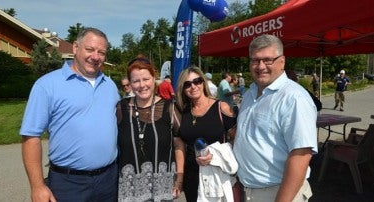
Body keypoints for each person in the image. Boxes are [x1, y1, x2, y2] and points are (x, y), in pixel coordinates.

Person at [20, 27, 120, 201]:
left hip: (108, 180)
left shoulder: (110, 86)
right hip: (68, 184)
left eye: (101, 52)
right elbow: (31, 137)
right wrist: (37, 186)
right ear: (75, 47)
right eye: (89, 49)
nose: (95, 57)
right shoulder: (47, 85)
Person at [233, 34, 318, 202]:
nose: (260, 66)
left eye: (267, 60)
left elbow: (301, 154)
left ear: (282, 61)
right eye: (255, 60)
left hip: (279, 193)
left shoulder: (294, 98)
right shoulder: (250, 93)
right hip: (249, 190)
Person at [116, 55, 184, 201]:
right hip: (130, 189)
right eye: (136, 81)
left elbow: (179, 144)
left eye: (146, 79)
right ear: (130, 83)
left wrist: (179, 179)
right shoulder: (121, 108)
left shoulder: (170, 107)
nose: (142, 85)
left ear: (154, 78)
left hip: (162, 188)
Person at [175, 66, 237, 202]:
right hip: (192, 178)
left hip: (217, 175)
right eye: (187, 84)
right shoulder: (183, 112)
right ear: (183, 89)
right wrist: (179, 178)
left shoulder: (221, 107)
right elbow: (179, 145)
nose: (193, 86)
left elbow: (235, 139)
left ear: (203, 82)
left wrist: (216, 156)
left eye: (197, 81)